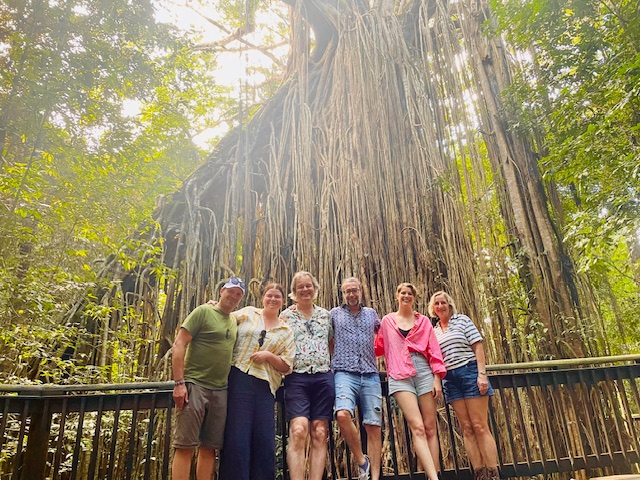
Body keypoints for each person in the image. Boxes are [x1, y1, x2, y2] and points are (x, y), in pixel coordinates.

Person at [218, 282, 296, 480]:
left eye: (277, 296)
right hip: (239, 378)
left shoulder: (286, 330)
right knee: (237, 436)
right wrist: (214, 305)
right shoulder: (248, 313)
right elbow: (223, 318)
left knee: (264, 439)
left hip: (265, 386)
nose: (272, 299)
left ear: (283, 301)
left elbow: (287, 365)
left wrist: (268, 356)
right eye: (269, 295)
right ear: (262, 298)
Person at [171, 277, 246, 480]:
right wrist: (179, 383)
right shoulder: (203, 312)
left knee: (210, 447)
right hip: (195, 385)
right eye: (231, 291)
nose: (233, 296)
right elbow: (179, 345)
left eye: (238, 294)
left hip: (221, 390)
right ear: (221, 291)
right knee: (185, 445)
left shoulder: (234, 320)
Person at [374, 282, 446, 480]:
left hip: (424, 371)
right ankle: (434, 478)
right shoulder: (387, 321)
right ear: (397, 296)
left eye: (410, 294)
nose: (406, 296)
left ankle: (433, 475)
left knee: (430, 427)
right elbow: (377, 348)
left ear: (414, 298)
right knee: (418, 426)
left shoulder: (423, 321)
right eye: (402, 293)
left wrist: (437, 378)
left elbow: (433, 350)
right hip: (399, 374)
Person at [429, 291, 499, 480]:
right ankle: (479, 473)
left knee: (480, 425)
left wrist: (481, 374)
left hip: (469, 372)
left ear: (449, 304)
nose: (440, 306)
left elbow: (478, 346)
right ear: (433, 308)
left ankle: (493, 473)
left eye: (443, 302)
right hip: (449, 379)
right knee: (466, 427)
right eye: (437, 304)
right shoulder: (433, 331)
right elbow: (435, 359)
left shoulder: (462, 321)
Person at [280, 271, 334, 480]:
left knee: (320, 432)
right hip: (297, 378)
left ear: (315, 288)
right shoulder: (285, 316)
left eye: (309, 285)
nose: (305, 289)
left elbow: (331, 343)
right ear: (294, 292)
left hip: (322, 377)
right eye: (300, 287)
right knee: (299, 430)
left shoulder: (325, 315)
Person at [331, 277, 382, 480]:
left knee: (373, 425)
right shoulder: (334, 314)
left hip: (370, 374)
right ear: (342, 293)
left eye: (354, 290)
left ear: (361, 291)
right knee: (342, 414)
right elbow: (327, 339)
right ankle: (362, 461)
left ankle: (374, 477)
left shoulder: (371, 314)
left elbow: (388, 333)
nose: (351, 294)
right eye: (347, 291)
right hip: (344, 372)